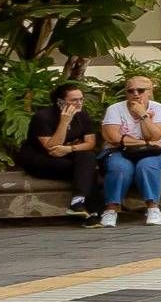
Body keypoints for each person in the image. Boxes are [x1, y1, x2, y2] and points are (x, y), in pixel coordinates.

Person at [14, 83, 104, 222]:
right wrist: (64, 122)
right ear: (60, 101)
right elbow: (52, 148)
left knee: (87, 157)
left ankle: (79, 203)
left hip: (65, 155)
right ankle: (93, 213)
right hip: (40, 159)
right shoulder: (43, 117)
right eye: (74, 100)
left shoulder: (82, 115)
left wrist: (69, 148)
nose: (79, 103)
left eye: (81, 99)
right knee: (87, 171)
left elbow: (90, 144)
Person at [97, 74, 161, 227]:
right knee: (119, 167)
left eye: (140, 90)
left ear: (150, 92)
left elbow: (157, 134)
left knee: (147, 165)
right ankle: (111, 210)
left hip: (156, 153)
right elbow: (113, 137)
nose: (135, 94)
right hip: (120, 150)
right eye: (130, 91)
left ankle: (153, 208)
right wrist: (147, 142)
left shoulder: (160, 109)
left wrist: (143, 115)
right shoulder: (115, 109)